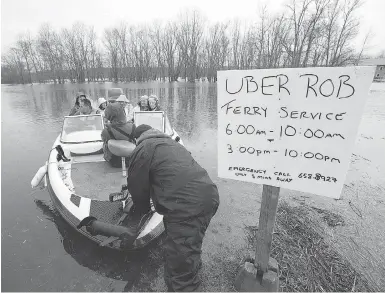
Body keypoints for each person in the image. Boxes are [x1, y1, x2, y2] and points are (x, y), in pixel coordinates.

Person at [126, 124, 220, 292]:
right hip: (209, 194)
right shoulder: (171, 144)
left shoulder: (142, 149)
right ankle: (191, 265)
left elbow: (137, 187)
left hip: (186, 206)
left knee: (180, 267)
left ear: (135, 139)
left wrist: (142, 210)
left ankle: (184, 283)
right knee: (188, 240)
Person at [101, 103, 136, 167]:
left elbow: (103, 139)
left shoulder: (106, 131)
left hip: (114, 161)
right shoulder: (132, 126)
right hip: (131, 159)